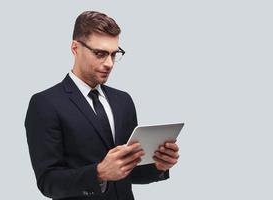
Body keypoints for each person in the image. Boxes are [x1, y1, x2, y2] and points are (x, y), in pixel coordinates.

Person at [25, 11, 180, 200]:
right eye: (100, 54)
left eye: (114, 54)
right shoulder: (45, 103)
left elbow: (129, 173)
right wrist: (98, 173)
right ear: (75, 48)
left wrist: (159, 166)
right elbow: (48, 182)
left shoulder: (123, 101)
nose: (109, 63)